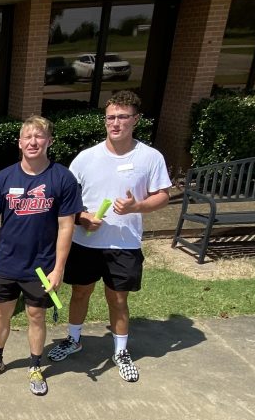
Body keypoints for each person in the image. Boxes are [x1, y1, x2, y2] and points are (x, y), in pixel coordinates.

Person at [48, 90, 172, 382]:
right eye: (111, 117)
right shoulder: (85, 158)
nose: (116, 123)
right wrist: (81, 218)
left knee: (117, 299)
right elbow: (66, 200)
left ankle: (120, 351)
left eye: (123, 117)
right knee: (80, 293)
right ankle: (73, 339)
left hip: (124, 244)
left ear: (136, 120)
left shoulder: (150, 157)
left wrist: (137, 206)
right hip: (85, 242)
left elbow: (163, 196)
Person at [0, 117, 82, 394]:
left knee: (36, 316)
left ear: (50, 141)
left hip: (41, 266)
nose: (33, 142)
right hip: (6, 263)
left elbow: (66, 226)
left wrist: (58, 269)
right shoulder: (4, 177)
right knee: (1, 313)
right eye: (28, 137)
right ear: (20, 143)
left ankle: (35, 366)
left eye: (40, 136)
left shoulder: (62, 178)